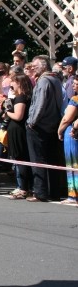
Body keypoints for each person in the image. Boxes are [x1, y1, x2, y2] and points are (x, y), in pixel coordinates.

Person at [26, 55, 65, 202]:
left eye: (35, 67)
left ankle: (40, 192)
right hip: (53, 124)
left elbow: (40, 103)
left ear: (43, 67)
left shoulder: (44, 81)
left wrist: (32, 122)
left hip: (40, 125)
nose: (33, 70)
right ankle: (54, 191)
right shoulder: (56, 80)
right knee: (52, 159)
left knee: (38, 159)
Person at [5, 74, 34, 200]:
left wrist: (7, 112)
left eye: (13, 83)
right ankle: (23, 186)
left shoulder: (21, 97)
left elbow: (18, 116)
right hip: (16, 130)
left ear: (20, 84)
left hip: (19, 131)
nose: (11, 85)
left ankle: (23, 188)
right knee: (19, 159)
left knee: (21, 158)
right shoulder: (19, 97)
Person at [57, 77, 78, 205]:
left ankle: (73, 194)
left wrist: (59, 130)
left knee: (72, 163)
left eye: (77, 84)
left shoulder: (75, 100)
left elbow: (67, 118)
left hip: (71, 133)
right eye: (74, 83)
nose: (74, 86)